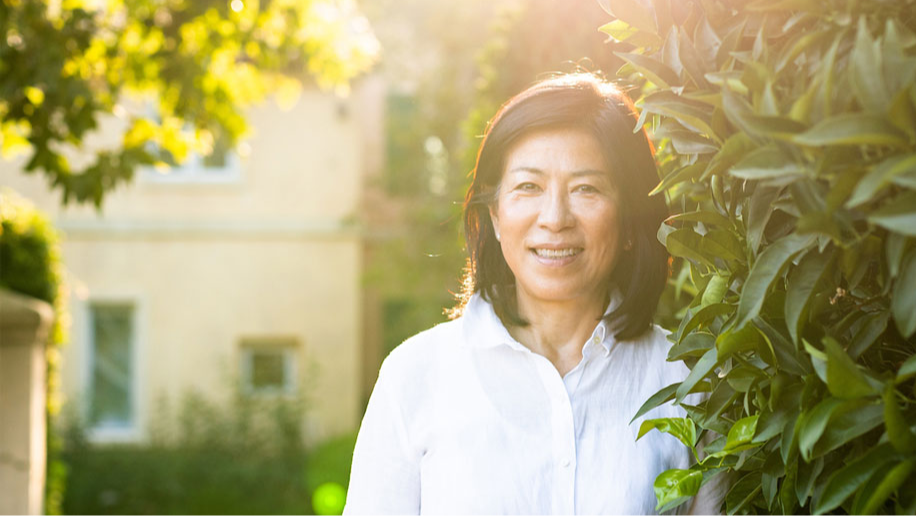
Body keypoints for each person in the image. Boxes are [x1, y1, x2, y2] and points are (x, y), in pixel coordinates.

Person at [344, 73, 720, 515]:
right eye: (529, 186)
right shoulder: (415, 377)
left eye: (586, 188)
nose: (555, 217)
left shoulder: (685, 382)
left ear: (630, 223)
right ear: (496, 217)